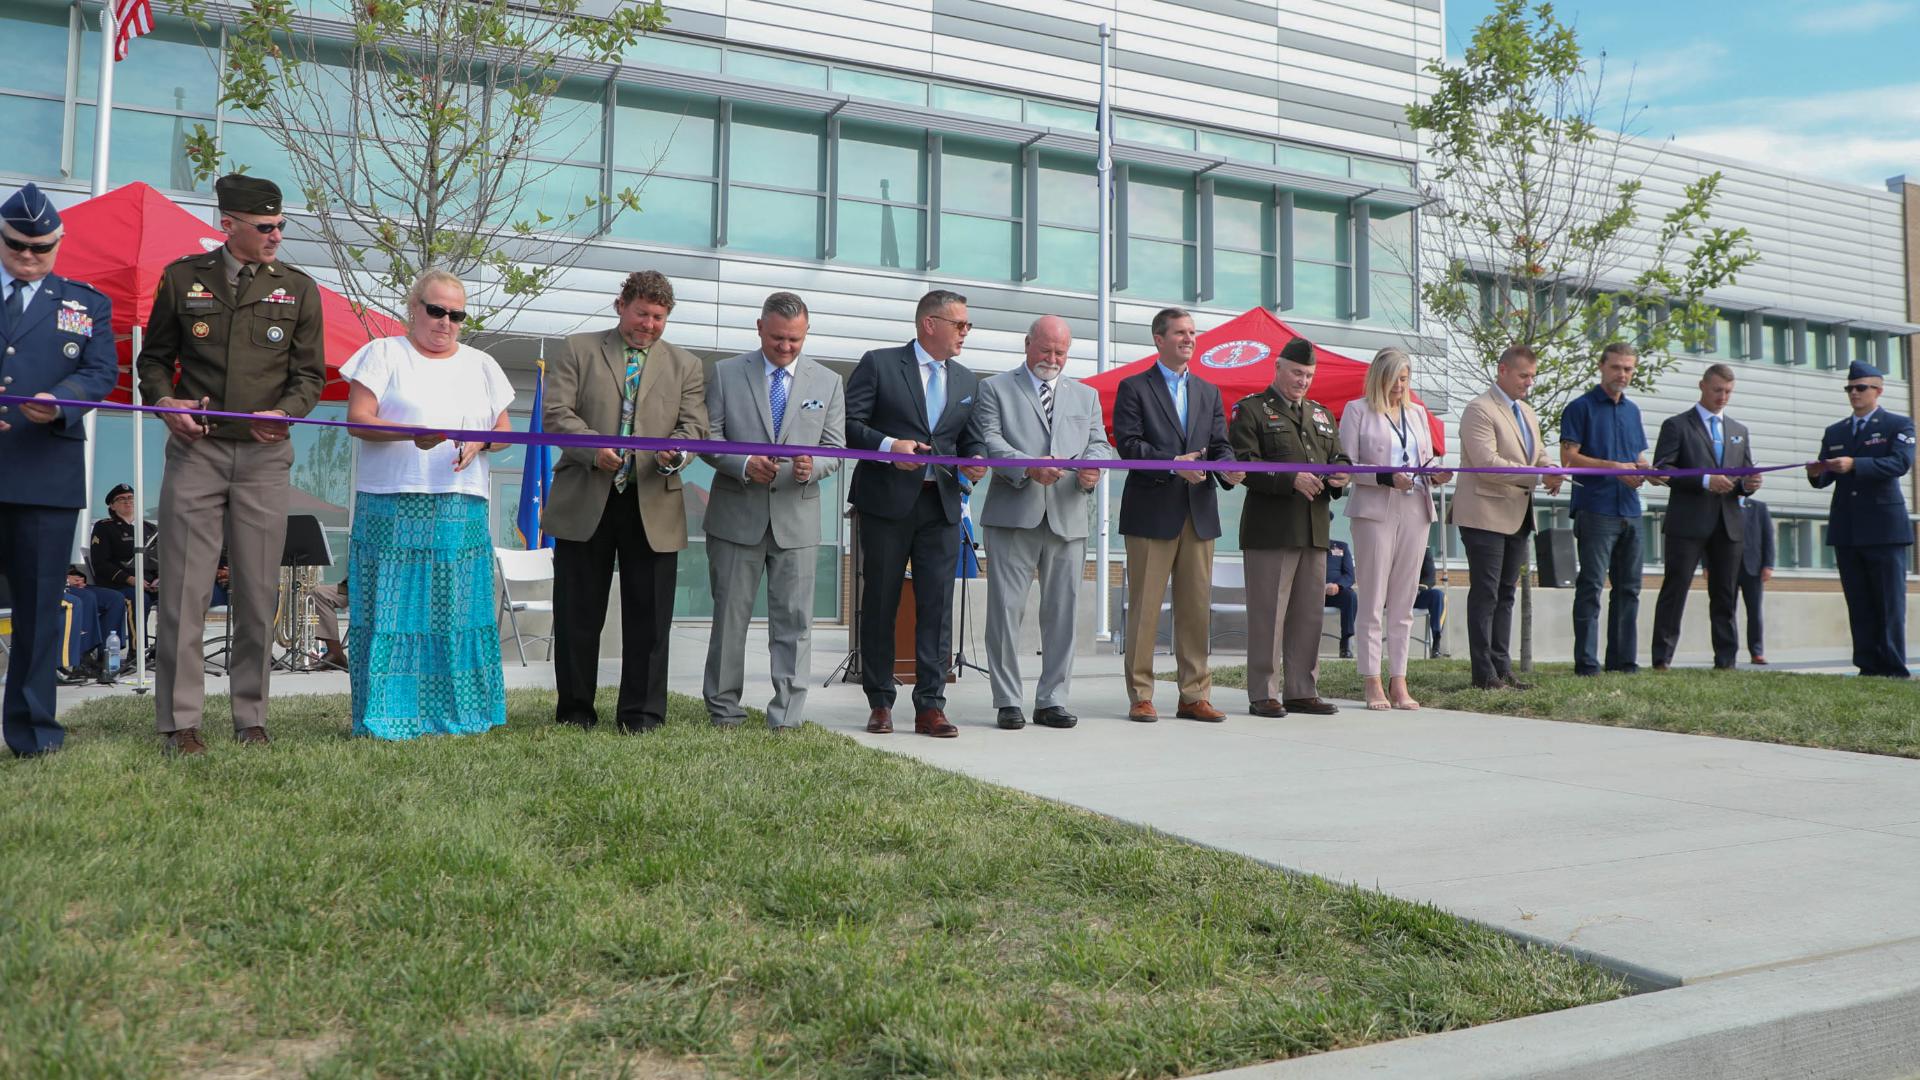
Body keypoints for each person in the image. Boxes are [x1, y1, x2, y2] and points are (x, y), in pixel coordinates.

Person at [135, 173, 325, 754]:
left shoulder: (298, 289)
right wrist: (165, 403)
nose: (276, 236)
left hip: (265, 457)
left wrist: (288, 412)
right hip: (197, 450)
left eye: (281, 225)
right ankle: (180, 723)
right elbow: (154, 362)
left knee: (255, 589)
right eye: (265, 227)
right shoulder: (181, 279)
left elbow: (309, 376)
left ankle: (251, 718)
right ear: (229, 225)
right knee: (186, 591)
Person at [340, 269, 513, 739]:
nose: (446, 322)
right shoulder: (382, 354)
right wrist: (408, 432)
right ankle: (387, 714)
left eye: (456, 315)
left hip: (460, 503)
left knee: (459, 611)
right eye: (436, 311)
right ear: (413, 309)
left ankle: (462, 713)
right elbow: (358, 420)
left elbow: (504, 433)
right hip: (391, 502)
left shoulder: (481, 365)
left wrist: (480, 444)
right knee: (391, 612)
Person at [544, 270, 709, 732]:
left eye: (659, 317)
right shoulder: (578, 349)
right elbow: (555, 416)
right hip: (586, 498)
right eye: (642, 313)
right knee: (578, 616)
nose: (650, 324)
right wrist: (594, 448)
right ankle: (575, 712)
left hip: (653, 501)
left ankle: (642, 716)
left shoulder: (688, 366)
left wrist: (677, 451)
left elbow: (694, 428)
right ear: (621, 305)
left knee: (650, 622)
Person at [0, 182, 118, 757]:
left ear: (59, 242)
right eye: (16, 245)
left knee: (40, 611)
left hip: (45, 476)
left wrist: (61, 400)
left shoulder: (86, 303)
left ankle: (35, 735)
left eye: (40, 247)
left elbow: (101, 373)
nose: (27, 256)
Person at [845, 289, 988, 738]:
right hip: (886, 503)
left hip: (941, 505)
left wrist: (978, 461)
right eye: (960, 324)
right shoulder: (879, 364)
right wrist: (889, 448)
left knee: (936, 607)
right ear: (930, 324)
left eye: (967, 325)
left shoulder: (967, 380)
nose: (966, 332)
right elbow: (848, 425)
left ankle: (930, 705)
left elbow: (973, 439)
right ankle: (880, 702)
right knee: (881, 602)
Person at [699, 291, 845, 731]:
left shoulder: (829, 382)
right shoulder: (725, 374)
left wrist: (811, 466)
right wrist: (743, 465)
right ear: (759, 327)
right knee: (729, 621)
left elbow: (835, 449)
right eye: (778, 338)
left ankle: (786, 715)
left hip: (796, 523)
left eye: (795, 340)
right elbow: (709, 439)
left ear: (806, 333)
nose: (785, 348)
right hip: (734, 518)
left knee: (795, 623)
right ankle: (724, 710)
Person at [970, 315, 1115, 731]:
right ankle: (1007, 700)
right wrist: (1027, 467)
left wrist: (1093, 469)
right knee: (1004, 611)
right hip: (1013, 514)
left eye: (1061, 352)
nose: (1053, 359)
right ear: (1027, 343)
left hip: (1068, 516)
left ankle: (1052, 699)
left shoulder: (1085, 396)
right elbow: (990, 440)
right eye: (1046, 349)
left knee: (1063, 614)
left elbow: (1099, 444)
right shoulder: (993, 388)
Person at [1116, 308, 1244, 722]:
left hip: (1199, 513)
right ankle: (1141, 694)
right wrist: (1173, 462)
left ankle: (1193, 695)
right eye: (1180, 333)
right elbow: (1129, 447)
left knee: (1194, 608)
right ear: (1159, 339)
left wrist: (1230, 468)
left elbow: (1220, 444)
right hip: (1151, 512)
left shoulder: (1208, 391)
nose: (1189, 338)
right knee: (1145, 608)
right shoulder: (1133, 387)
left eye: (1193, 332)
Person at [1225, 335, 1343, 718]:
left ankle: (1301, 689)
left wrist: (1343, 475)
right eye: (1296, 372)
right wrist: (1290, 479)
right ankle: (1263, 692)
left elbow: (1337, 456)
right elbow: (1245, 464)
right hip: (1271, 528)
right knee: (1268, 615)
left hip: (1314, 528)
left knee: (1309, 614)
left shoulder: (1322, 415)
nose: (1303, 381)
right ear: (1277, 368)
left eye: (1308, 374)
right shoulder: (1253, 411)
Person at [1338, 348, 1449, 711]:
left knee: (1404, 600)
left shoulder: (1417, 413)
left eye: (1405, 379)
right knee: (1372, 599)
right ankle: (1371, 679)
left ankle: (1399, 679)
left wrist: (1435, 472)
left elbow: (1423, 457)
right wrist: (1385, 477)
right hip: (1374, 511)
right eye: (1395, 379)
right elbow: (1347, 465)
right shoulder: (1358, 410)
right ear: (1379, 377)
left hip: (1416, 507)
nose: (1401, 386)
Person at [1451, 344, 1560, 691]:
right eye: (1523, 375)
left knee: (1506, 593)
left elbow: (1538, 452)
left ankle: (1503, 667)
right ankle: (1483, 674)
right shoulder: (1479, 409)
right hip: (1484, 513)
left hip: (1518, 513)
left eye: (1533, 376)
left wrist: (1552, 468)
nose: (1529, 382)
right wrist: (1536, 475)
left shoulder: (1526, 411)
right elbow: (1487, 463)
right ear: (1503, 370)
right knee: (1486, 593)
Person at [1650, 364, 1760, 671]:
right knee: (1676, 589)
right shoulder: (1677, 425)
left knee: (1725, 594)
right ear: (1702, 386)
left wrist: (1748, 485)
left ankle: (1726, 661)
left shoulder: (1739, 431)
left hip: (1728, 524)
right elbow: (1663, 470)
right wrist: (1703, 480)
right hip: (1687, 522)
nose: (1722, 397)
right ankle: (1662, 659)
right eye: (1717, 390)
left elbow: (1743, 476)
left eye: (1727, 392)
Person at [1808, 360, 1914, 679]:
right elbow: (1825, 478)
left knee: (1888, 603)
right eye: (1850, 388)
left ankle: (1893, 667)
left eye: (1861, 388)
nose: (1854, 393)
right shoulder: (1836, 431)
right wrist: (1817, 473)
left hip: (1884, 528)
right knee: (1859, 602)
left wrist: (1855, 464)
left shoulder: (1898, 424)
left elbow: (1899, 463)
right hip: (1848, 529)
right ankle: (1867, 666)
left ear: (1878, 390)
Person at [1560, 342, 1658, 676]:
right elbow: (1568, 458)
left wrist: (1649, 471)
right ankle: (1587, 664)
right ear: (1601, 366)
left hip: (1631, 509)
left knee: (1629, 589)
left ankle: (1623, 663)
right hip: (1596, 509)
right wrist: (1614, 467)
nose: (1623, 374)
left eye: (1629, 368)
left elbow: (1637, 457)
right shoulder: (1580, 407)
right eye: (1617, 367)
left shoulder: (1633, 411)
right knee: (1591, 586)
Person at [89, 483, 158, 616]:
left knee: (177, 597)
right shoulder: (104, 527)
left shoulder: (150, 529)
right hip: (120, 585)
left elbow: (159, 559)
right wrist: (129, 579)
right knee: (140, 600)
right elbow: (101, 563)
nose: (128, 501)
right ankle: (138, 638)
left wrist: (158, 580)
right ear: (112, 506)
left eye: (131, 498)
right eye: (121, 499)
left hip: (150, 585)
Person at [59, 565, 128, 685]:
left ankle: (105, 657)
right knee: (87, 598)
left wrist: (79, 578)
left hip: (70, 581)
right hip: (56, 585)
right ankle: (81, 659)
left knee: (116, 598)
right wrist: (66, 580)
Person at [1737, 497, 1774, 665]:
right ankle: (1727, 652)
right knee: (1725, 611)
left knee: (1754, 613)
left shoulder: (1759, 507)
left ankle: (1756, 652)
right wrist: (1707, 565)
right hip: (1727, 567)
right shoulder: (1721, 504)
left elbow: (1768, 537)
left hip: (1753, 568)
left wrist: (1768, 565)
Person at [1413, 549, 1448, 659]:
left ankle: (1436, 640)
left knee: (1439, 595)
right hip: (1394, 596)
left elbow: (1430, 578)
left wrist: (1417, 588)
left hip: (1416, 595)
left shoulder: (1423, 549)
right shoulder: (1391, 547)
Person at [1324, 540, 1356, 659]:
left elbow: (1349, 576)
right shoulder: (1307, 547)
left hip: (1334, 592)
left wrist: (1338, 586)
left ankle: (1346, 643)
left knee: (1350, 596)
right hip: (1311, 591)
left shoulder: (1342, 546)